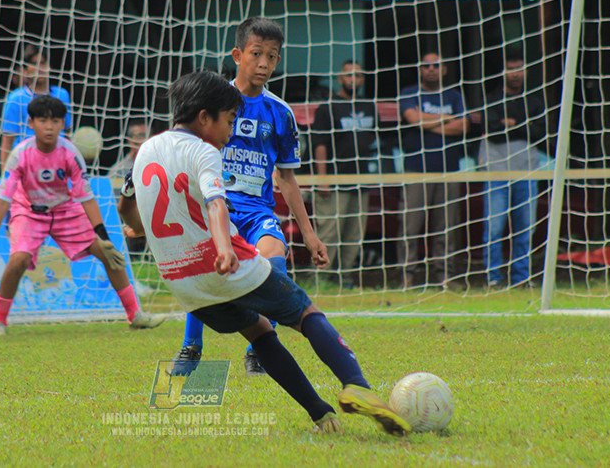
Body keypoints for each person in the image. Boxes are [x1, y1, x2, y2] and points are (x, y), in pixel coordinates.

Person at [117, 70, 410, 436]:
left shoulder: (146, 149)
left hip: (183, 285)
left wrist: (138, 227)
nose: (230, 131)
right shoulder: (204, 151)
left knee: (259, 332)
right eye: (228, 121)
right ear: (205, 117)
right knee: (304, 311)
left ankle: (320, 414)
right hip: (224, 265)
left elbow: (127, 206)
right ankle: (357, 385)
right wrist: (224, 249)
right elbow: (216, 204)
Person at [170, 17, 325, 376]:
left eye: (272, 57)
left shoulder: (280, 113)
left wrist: (310, 232)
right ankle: (191, 346)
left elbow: (286, 178)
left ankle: (261, 344)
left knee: (274, 255)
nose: (264, 64)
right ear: (238, 55)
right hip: (214, 205)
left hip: (256, 210)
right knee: (204, 268)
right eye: (257, 54)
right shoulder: (208, 102)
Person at [0, 95, 165, 334]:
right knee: (18, 259)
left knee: (108, 253)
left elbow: (86, 197)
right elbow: (3, 200)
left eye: (55, 121)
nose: (49, 126)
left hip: (65, 209)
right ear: (30, 123)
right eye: (43, 120)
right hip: (29, 211)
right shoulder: (20, 154)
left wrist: (102, 235)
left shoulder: (70, 152)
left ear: (63, 124)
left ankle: (135, 315)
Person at [397, 50, 469, 289]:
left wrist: (427, 123)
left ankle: (445, 277)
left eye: (436, 66)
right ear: (420, 69)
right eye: (426, 66)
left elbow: (463, 126)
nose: (431, 69)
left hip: (448, 170)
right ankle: (407, 277)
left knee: (446, 226)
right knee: (411, 225)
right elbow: (412, 118)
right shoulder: (409, 93)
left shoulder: (454, 95)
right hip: (417, 170)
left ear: (444, 69)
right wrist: (445, 119)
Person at [478, 52, 546, 288]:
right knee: (494, 229)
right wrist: (522, 124)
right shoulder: (493, 99)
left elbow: (539, 132)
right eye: (510, 69)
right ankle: (494, 278)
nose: (515, 74)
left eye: (519, 68)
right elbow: (493, 132)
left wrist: (510, 124)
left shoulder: (535, 101)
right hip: (496, 173)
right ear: (503, 71)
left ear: (526, 71)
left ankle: (521, 278)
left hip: (527, 174)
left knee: (525, 229)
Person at [311, 60, 379, 289]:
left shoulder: (369, 106)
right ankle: (321, 279)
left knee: (354, 235)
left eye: (359, 75)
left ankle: (345, 277)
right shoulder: (327, 107)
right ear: (339, 79)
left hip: (361, 181)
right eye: (349, 75)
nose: (354, 79)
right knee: (330, 233)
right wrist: (323, 180)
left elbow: (370, 138)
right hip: (334, 181)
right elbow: (319, 145)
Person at [0, 45, 71, 170]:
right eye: (34, 64)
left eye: (42, 63)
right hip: (25, 166)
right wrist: (5, 177)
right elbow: (7, 141)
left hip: (57, 165)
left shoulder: (62, 95)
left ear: (49, 66)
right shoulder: (16, 98)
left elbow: (68, 133)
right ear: (25, 70)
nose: (39, 68)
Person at [108, 119, 150, 258]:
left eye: (146, 135)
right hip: (129, 223)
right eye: (139, 135)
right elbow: (114, 207)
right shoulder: (118, 170)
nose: (142, 139)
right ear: (129, 140)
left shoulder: (158, 165)